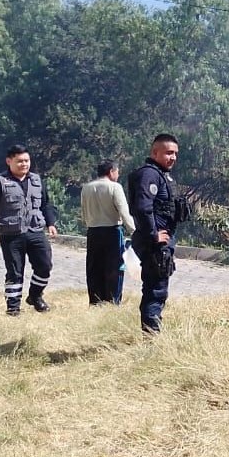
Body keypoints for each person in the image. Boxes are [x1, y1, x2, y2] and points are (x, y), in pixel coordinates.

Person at [0, 144, 58, 316]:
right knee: (15, 272)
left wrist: (51, 223)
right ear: (9, 161)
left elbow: (46, 204)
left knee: (45, 266)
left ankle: (35, 296)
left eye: (27, 161)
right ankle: (13, 308)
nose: (24, 164)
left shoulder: (36, 180)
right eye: (20, 161)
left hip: (35, 231)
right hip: (11, 234)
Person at [127, 134, 189, 334]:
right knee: (155, 291)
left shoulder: (162, 175)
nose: (173, 158)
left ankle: (152, 332)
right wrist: (154, 235)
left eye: (175, 153)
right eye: (169, 153)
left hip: (162, 242)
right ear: (155, 152)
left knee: (158, 289)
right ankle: (151, 336)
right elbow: (142, 208)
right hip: (154, 244)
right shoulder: (149, 175)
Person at [81, 159, 136, 305]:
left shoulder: (86, 187)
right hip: (112, 231)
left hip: (93, 231)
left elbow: (84, 212)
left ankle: (95, 300)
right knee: (114, 267)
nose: (118, 175)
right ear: (111, 171)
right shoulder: (115, 187)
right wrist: (134, 231)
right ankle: (112, 300)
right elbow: (124, 212)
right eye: (117, 172)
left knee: (94, 267)